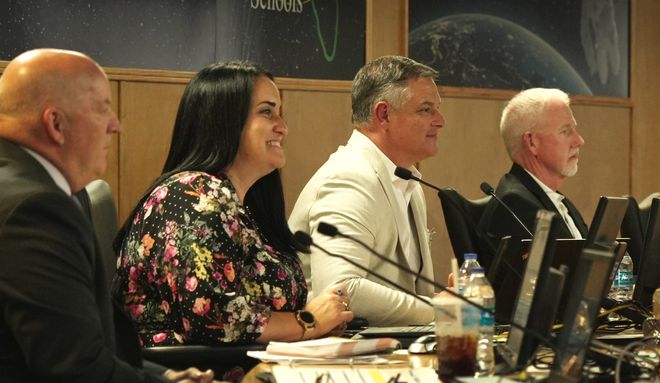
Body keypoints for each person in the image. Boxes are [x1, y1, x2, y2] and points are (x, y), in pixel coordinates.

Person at [0, 49, 236, 383]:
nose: (116, 125)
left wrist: (165, 380)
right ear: (55, 124)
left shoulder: (43, 188)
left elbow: (84, 351)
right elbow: (74, 374)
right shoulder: (33, 209)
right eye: (102, 109)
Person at [113, 61, 354, 352]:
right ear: (224, 121)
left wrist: (322, 316)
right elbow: (214, 317)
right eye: (267, 112)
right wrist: (309, 320)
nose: (283, 128)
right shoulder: (193, 197)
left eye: (280, 113)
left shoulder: (238, 204)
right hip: (200, 378)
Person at [289, 56, 445, 326]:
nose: (440, 121)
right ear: (383, 114)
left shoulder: (405, 178)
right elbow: (341, 289)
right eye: (426, 109)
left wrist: (445, 302)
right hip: (334, 354)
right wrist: (440, 311)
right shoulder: (350, 177)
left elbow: (406, 293)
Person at [477, 88, 589, 268]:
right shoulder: (515, 204)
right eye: (566, 131)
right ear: (531, 143)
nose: (579, 140)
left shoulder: (553, 199)